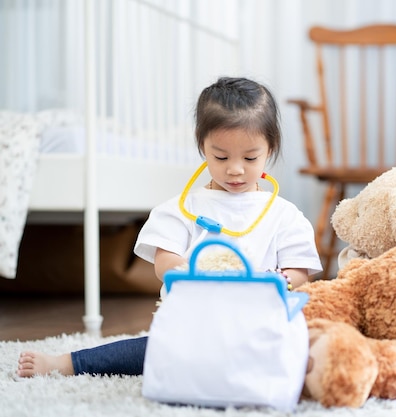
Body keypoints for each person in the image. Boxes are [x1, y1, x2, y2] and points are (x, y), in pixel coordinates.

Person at [17, 77, 322, 378]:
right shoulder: (184, 208)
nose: (235, 168)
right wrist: (196, 270)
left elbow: (300, 274)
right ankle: (67, 364)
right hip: (193, 328)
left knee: (302, 351)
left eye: (250, 157)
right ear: (202, 145)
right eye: (221, 156)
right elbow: (164, 263)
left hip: (258, 328)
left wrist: (274, 279)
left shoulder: (285, 216)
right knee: (151, 351)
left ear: (271, 148)